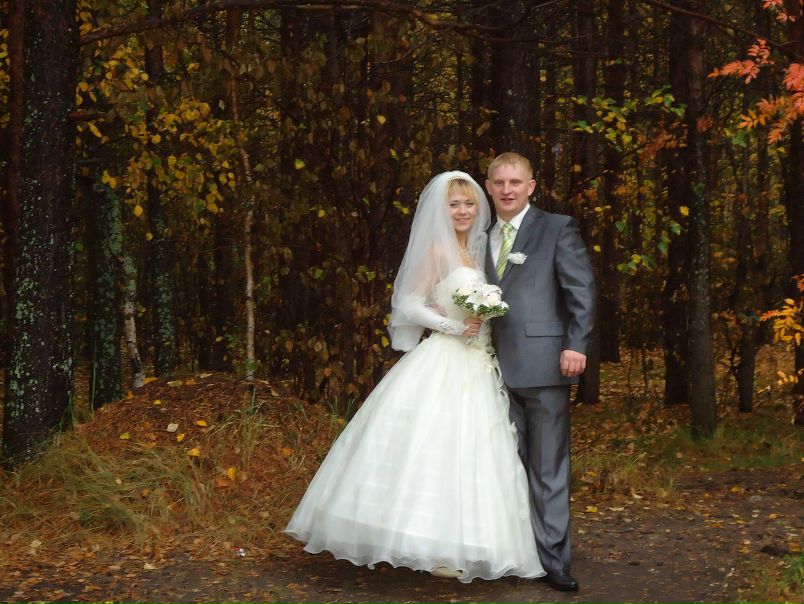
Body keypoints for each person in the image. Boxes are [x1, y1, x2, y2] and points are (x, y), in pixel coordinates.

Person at [285, 171, 545, 583]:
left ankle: (464, 544)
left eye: (469, 203)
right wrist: (453, 326)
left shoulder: (480, 251)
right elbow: (408, 303)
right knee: (435, 447)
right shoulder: (437, 250)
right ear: (441, 210)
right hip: (445, 358)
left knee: (474, 452)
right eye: (454, 205)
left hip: (480, 363)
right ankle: (426, 544)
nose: (462, 211)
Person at [484, 152, 597, 592]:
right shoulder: (479, 234)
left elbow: (581, 289)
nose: (507, 189)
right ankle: (513, 552)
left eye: (515, 182)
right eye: (499, 182)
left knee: (548, 469)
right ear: (488, 186)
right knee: (501, 467)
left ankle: (554, 561)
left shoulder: (557, 228)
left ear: (531, 186)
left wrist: (577, 344)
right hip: (488, 369)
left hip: (545, 364)